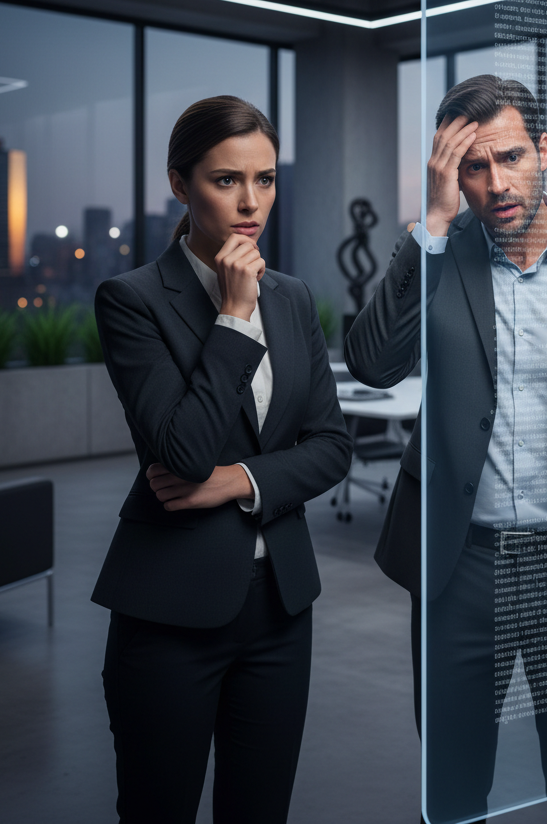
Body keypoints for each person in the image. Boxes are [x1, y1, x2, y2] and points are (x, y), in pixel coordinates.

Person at [345, 75, 547, 824]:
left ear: (543, 150)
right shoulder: (438, 253)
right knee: (453, 791)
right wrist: (430, 223)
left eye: (512, 157)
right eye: (474, 167)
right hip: (461, 569)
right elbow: (372, 363)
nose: (497, 183)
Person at [91, 95, 353, 824]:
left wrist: (237, 483)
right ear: (180, 184)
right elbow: (182, 450)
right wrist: (235, 316)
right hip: (170, 615)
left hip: (280, 610)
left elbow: (333, 445)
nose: (250, 202)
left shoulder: (295, 299)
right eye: (226, 180)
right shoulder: (132, 300)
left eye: (265, 180)